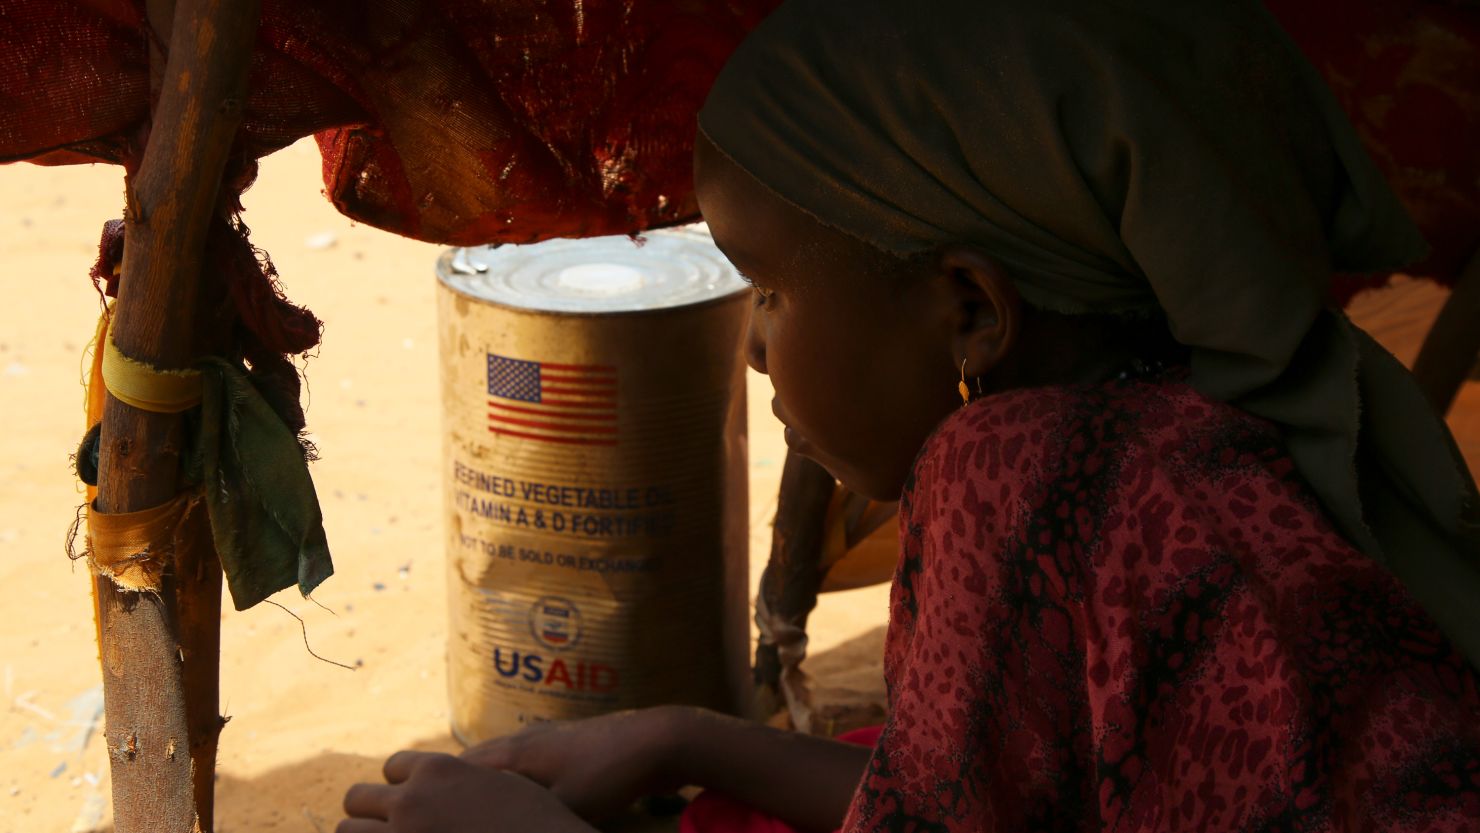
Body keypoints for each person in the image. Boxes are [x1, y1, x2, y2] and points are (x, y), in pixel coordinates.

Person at [338, 0, 1480, 830]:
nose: (751, 344)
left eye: (774, 293)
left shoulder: (1019, 469)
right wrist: (677, 734)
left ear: (972, 311)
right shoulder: (1183, 430)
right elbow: (950, 801)